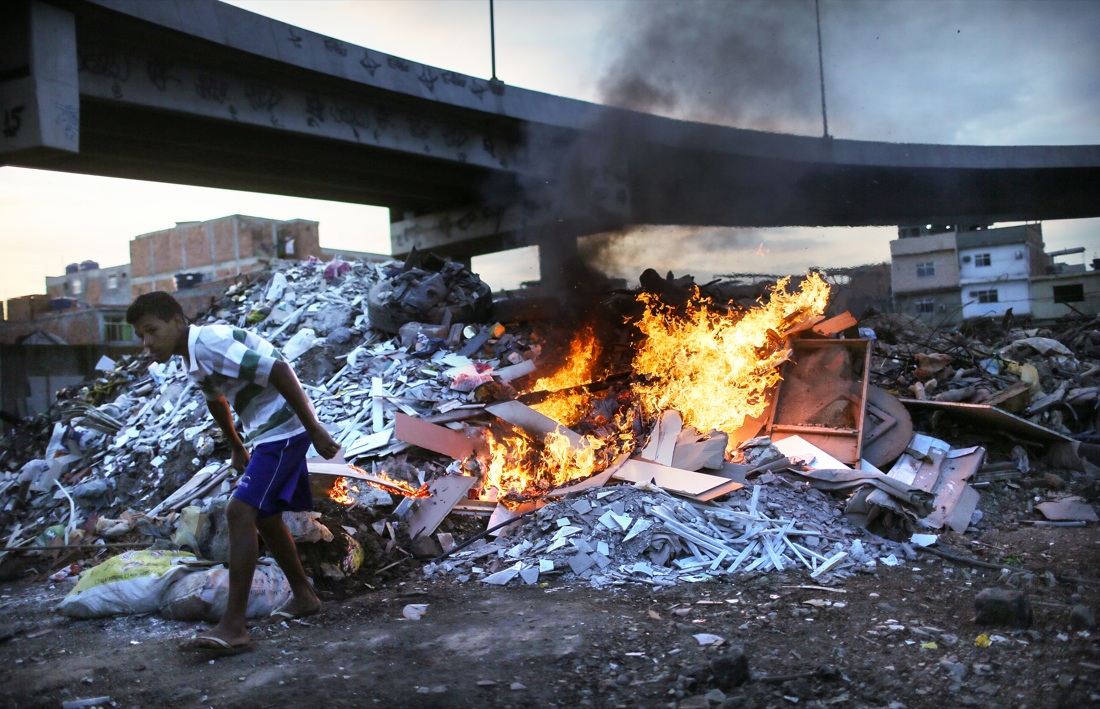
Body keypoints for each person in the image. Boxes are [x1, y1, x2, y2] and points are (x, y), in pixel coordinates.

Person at [126, 291, 341, 655]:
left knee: (238, 511)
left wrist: (315, 428)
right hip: (266, 432)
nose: (147, 344)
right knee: (268, 517)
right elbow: (217, 400)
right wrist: (236, 446)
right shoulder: (190, 358)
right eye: (141, 337)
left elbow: (278, 369)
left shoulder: (209, 343)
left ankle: (234, 626)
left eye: (152, 331)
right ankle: (304, 596)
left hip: (285, 428)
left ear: (177, 321)